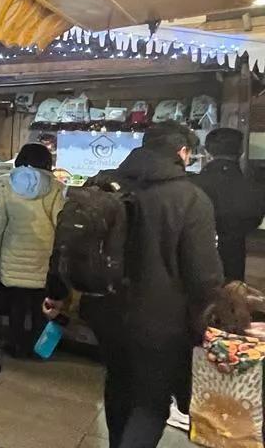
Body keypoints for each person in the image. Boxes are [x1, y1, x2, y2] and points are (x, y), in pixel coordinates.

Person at [45, 120, 223, 448]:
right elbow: (204, 275)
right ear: (182, 152)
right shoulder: (190, 198)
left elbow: (68, 242)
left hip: (104, 311)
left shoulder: (105, 183)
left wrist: (56, 293)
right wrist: (211, 325)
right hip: (161, 321)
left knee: (119, 383)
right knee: (151, 401)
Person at [0, 143, 66, 358]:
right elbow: (59, 223)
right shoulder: (55, 187)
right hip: (43, 255)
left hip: (13, 254)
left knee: (17, 307)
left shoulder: (7, 185)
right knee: (40, 306)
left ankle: (16, 346)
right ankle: (39, 349)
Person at [191, 127, 265, 282]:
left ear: (207, 151)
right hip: (235, 254)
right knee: (231, 300)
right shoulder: (253, 184)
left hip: (196, 254)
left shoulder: (193, 183)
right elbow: (255, 218)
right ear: (241, 152)